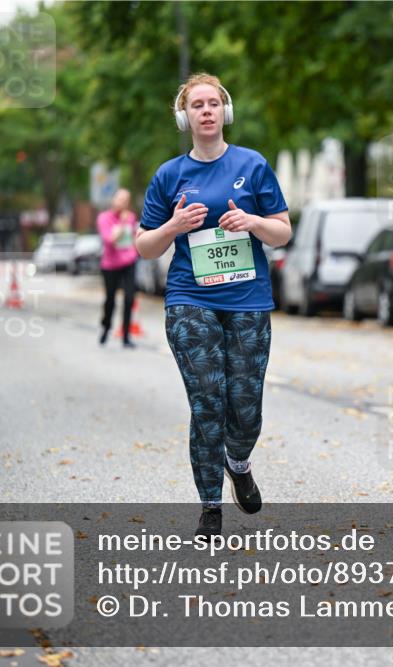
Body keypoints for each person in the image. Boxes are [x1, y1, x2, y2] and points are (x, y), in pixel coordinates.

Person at [135, 73, 292, 537]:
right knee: (207, 402)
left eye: (212, 103)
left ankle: (237, 461)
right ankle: (209, 507)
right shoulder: (169, 175)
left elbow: (283, 232)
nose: (205, 111)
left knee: (245, 407)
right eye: (196, 104)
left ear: (224, 112)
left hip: (248, 300)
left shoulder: (254, 165)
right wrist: (174, 227)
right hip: (190, 300)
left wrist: (253, 222)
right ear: (186, 117)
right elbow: (144, 246)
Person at [97, 188, 139, 348]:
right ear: (113, 199)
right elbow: (110, 240)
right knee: (110, 300)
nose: (123, 203)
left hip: (128, 262)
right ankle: (106, 327)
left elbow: (134, 238)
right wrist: (122, 222)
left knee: (129, 299)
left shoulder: (131, 217)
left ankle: (126, 336)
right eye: (120, 199)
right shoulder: (104, 218)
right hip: (110, 265)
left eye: (126, 200)